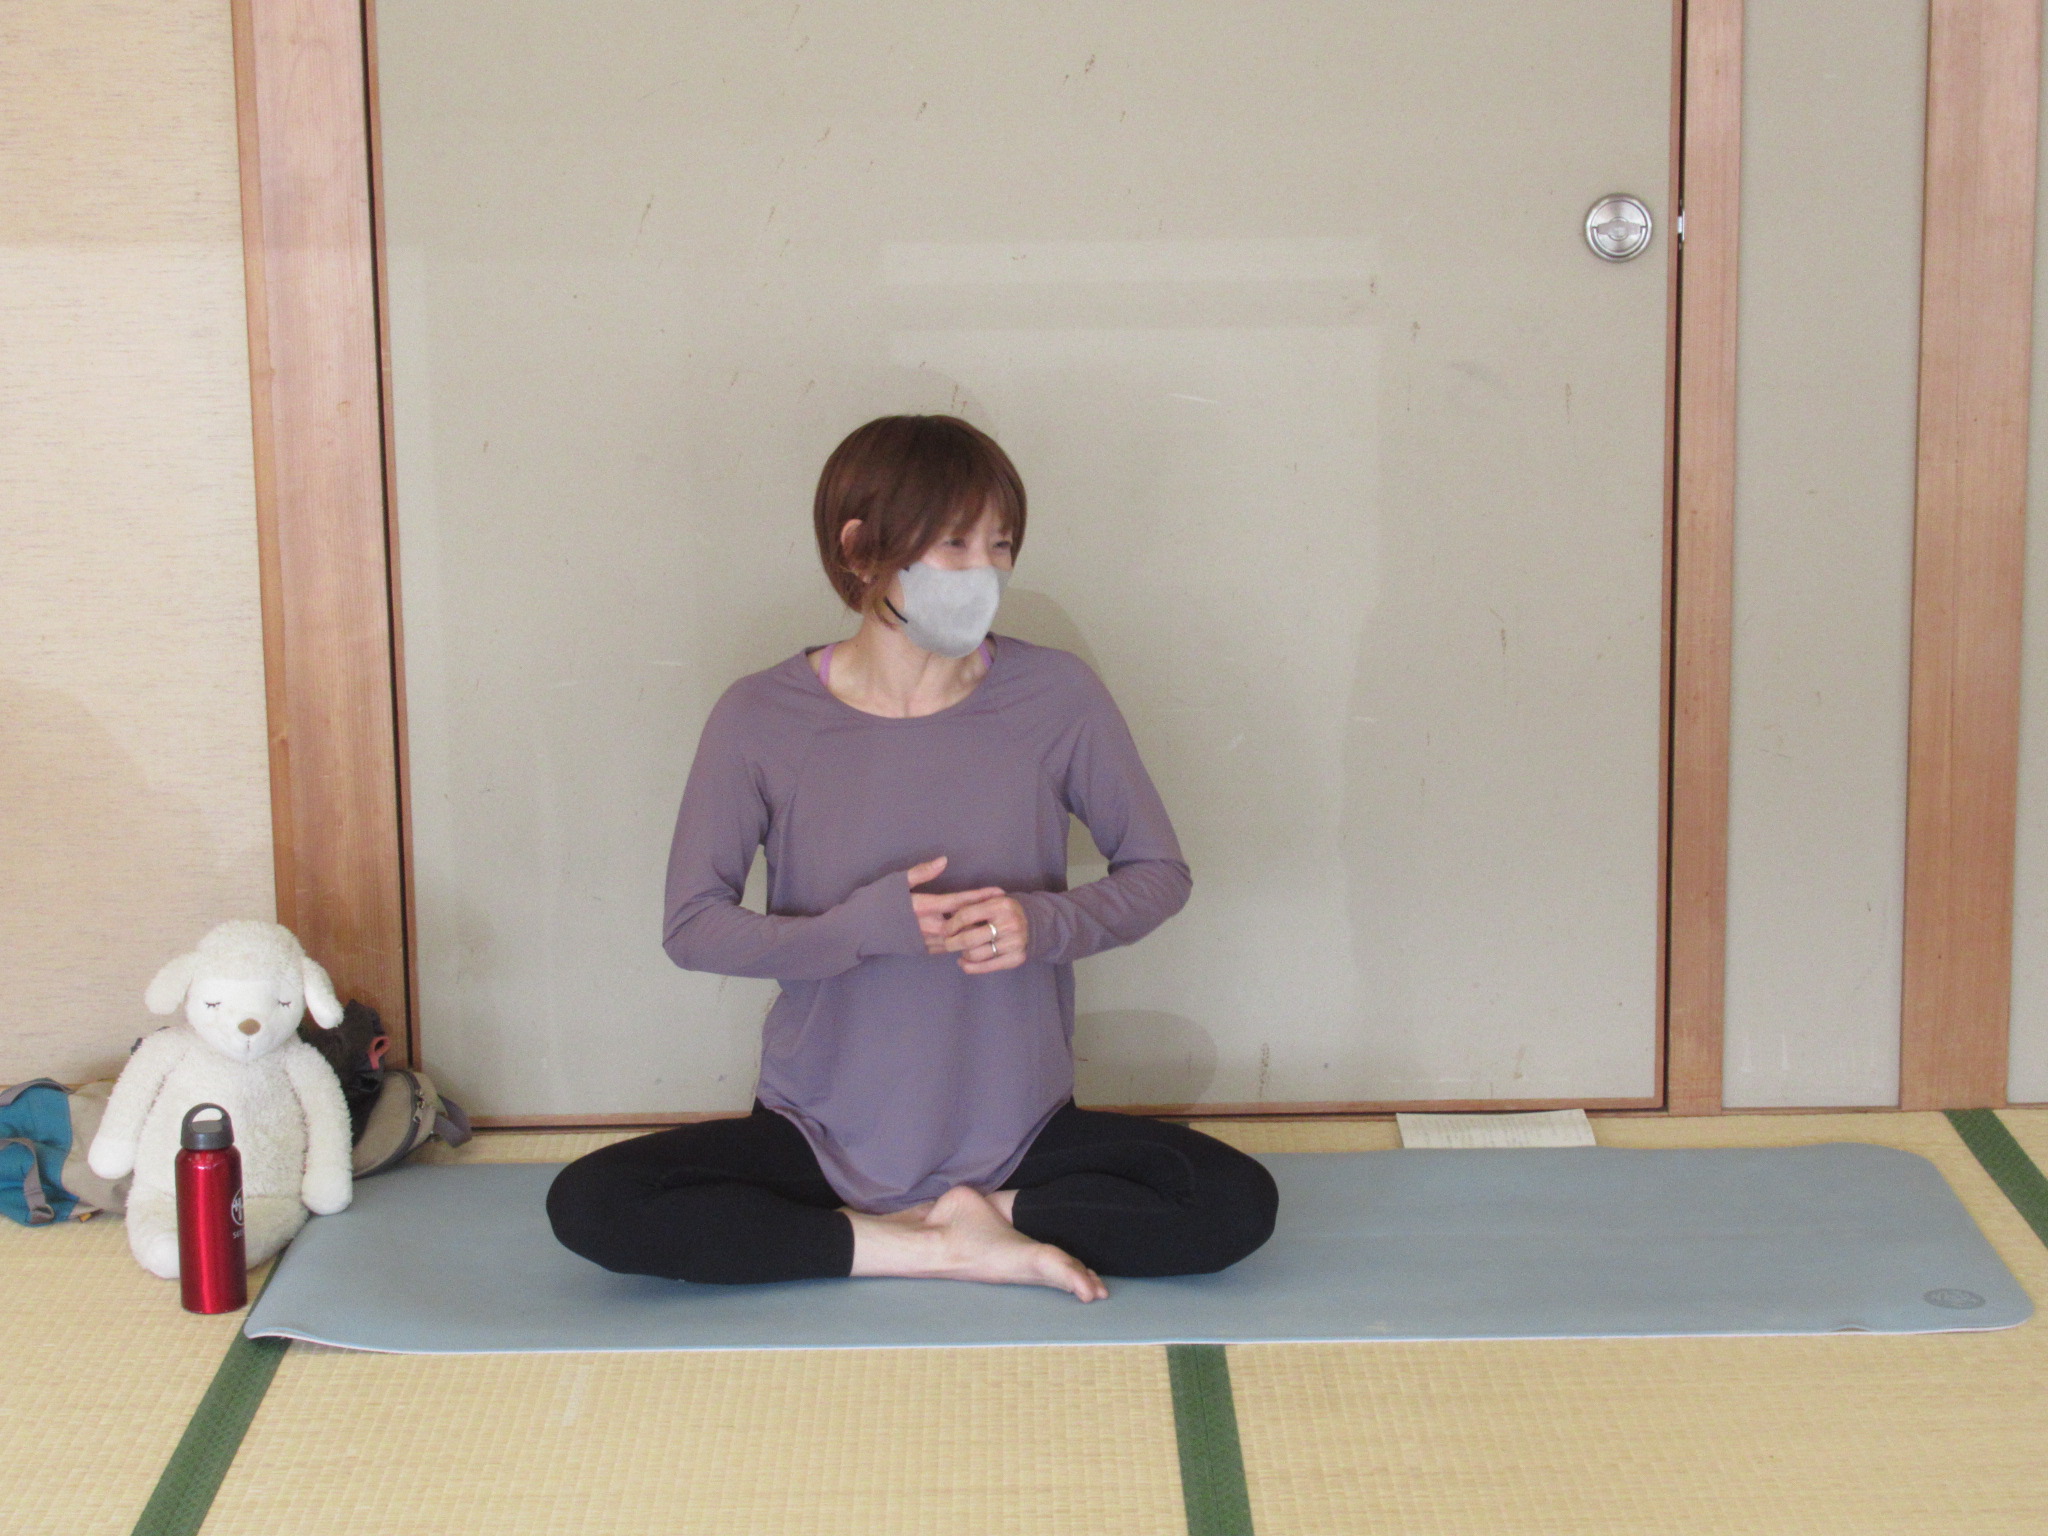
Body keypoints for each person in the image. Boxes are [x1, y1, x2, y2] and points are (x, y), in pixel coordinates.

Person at [547, 415, 1278, 1301]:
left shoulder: (1056, 696)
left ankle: (983, 1215)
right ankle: (926, 1246)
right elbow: (692, 927)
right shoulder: (759, 718)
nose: (983, 572)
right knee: (591, 1203)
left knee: (1234, 1203)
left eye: (1000, 545)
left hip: (1022, 1129)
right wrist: (860, 929)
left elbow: (1159, 873)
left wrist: (1044, 922)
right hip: (816, 1131)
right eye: (954, 544)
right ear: (860, 550)